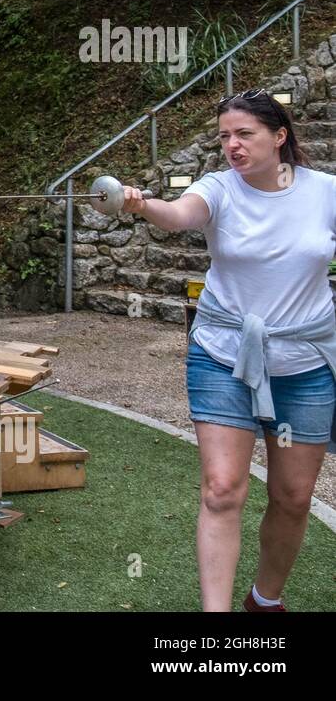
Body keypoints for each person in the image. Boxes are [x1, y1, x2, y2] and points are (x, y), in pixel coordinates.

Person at [121, 88, 336, 612]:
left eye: (244, 134)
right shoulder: (218, 188)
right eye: (224, 137)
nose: (232, 146)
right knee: (221, 490)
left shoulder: (325, 192)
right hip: (223, 353)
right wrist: (142, 204)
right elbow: (178, 215)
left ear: (279, 136)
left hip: (305, 362)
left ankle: (264, 600)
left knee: (292, 498)